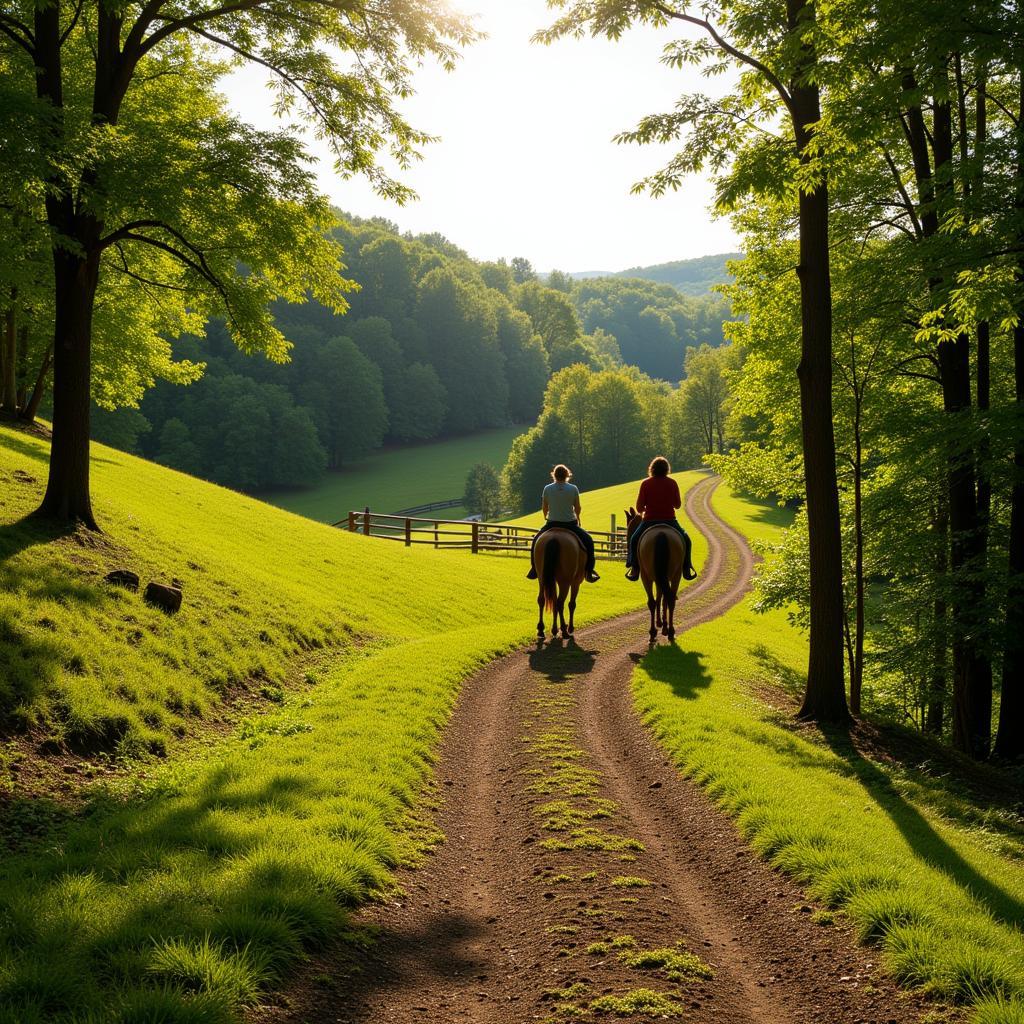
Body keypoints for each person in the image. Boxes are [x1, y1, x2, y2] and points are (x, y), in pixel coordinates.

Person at [526, 464, 600, 583]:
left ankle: (534, 569)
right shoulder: (573, 488)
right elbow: (577, 507)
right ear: (567, 475)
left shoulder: (547, 488)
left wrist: (546, 516)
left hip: (552, 523)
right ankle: (589, 571)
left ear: (554, 475)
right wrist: (578, 517)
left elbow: (544, 507)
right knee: (589, 541)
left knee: (536, 541)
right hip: (570, 524)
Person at [625, 456, 690, 581]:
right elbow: (677, 505)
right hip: (670, 521)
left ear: (652, 469)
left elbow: (639, 507)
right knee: (686, 540)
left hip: (649, 521)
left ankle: (634, 568)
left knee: (634, 539)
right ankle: (687, 567)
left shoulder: (645, 483)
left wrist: (648, 508)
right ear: (667, 469)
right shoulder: (672, 483)